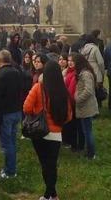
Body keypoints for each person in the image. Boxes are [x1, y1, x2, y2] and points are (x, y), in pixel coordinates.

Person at [24, 59, 73, 200]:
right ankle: (53, 194)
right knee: (51, 165)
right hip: (56, 133)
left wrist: (37, 111)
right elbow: (69, 115)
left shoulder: (38, 87)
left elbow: (26, 107)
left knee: (45, 165)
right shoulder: (63, 91)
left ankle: (49, 194)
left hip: (40, 132)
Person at [0, 50, 23, 179]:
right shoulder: (17, 72)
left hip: (6, 112)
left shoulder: (1, 75)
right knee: (12, 140)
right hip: (17, 110)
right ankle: (11, 167)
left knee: (7, 143)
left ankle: (10, 171)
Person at [71, 53, 98, 159]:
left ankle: (91, 154)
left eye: (73, 62)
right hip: (83, 106)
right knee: (85, 130)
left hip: (86, 106)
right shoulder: (82, 73)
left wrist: (78, 98)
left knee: (88, 131)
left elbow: (88, 90)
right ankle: (89, 151)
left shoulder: (85, 74)